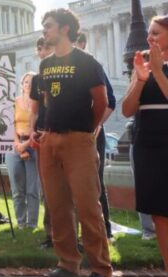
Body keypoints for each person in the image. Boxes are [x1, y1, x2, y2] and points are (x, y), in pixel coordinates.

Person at [32, 8, 112, 277]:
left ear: (66, 28)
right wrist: (42, 132)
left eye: (49, 25)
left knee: (89, 207)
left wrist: (88, 131)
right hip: (49, 141)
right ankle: (67, 264)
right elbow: (46, 102)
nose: (44, 30)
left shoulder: (87, 62)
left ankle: (101, 267)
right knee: (58, 208)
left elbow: (101, 102)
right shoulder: (44, 65)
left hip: (79, 140)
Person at [121, 15, 168, 271]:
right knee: (160, 214)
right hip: (147, 146)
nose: (149, 38)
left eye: (156, 33)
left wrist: (159, 72)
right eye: (149, 33)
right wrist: (140, 79)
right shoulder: (143, 68)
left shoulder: (159, 69)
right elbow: (127, 110)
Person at [75, 32, 116, 239]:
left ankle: (105, 230)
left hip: (91, 135)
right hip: (73, 136)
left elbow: (110, 102)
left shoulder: (92, 66)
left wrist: (95, 127)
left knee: (95, 184)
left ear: (81, 43)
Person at [28, 37, 54, 249]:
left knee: (70, 191)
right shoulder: (37, 79)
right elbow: (34, 110)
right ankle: (51, 235)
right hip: (43, 136)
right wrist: (31, 133)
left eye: (47, 47)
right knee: (48, 189)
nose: (43, 52)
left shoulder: (68, 72)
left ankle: (72, 237)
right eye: (40, 48)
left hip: (64, 133)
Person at [6, 72, 40, 229]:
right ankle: (21, 223)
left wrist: (26, 146)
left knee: (32, 189)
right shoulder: (14, 102)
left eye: (32, 82)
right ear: (22, 84)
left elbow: (39, 127)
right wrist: (18, 145)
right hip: (14, 147)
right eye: (26, 81)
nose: (28, 84)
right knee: (17, 190)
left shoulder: (39, 102)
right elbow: (10, 124)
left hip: (33, 146)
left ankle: (32, 223)